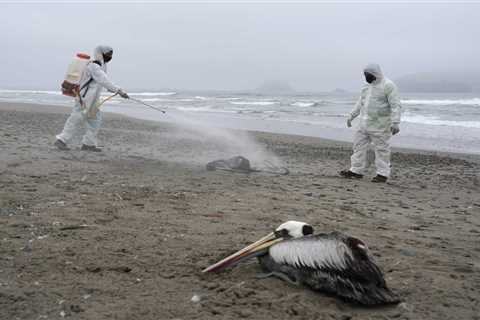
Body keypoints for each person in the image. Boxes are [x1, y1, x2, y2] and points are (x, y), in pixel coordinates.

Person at [54, 45, 129, 152]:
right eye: (108, 54)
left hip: (93, 100)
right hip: (84, 98)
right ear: (101, 53)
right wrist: (119, 91)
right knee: (75, 119)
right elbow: (103, 80)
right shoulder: (94, 66)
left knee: (95, 121)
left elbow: (101, 82)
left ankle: (88, 144)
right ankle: (61, 140)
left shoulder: (102, 66)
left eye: (111, 55)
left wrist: (113, 90)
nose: (110, 57)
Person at [340, 63, 402, 183]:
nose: (366, 77)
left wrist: (395, 122)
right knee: (358, 147)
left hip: (381, 125)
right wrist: (351, 116)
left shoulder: (388, 86)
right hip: (364, 124)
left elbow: (395, 105)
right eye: (365, 74)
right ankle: (356, 171)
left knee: (382, 150)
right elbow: (360, 102)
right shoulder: (366, 86)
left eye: (368, 74)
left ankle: (382, 174)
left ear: (375, 74)